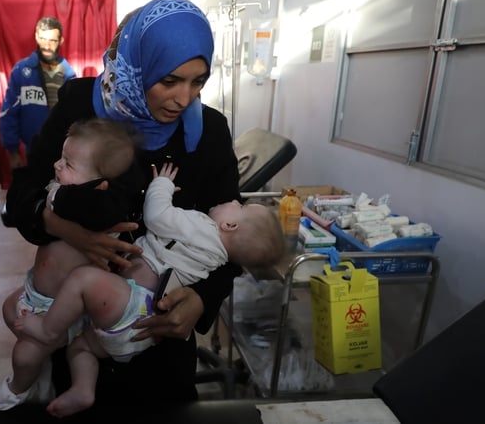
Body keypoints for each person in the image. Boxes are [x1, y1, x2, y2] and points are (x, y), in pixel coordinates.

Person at [1, 0, 244, 418]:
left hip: (156, 337)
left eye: (198, 81)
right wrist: (66, 229)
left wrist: (201, 301)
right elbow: (20, 196)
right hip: (73, 324)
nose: (184, 98)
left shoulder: (209, 134)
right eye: (169, 80)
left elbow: (232, 234)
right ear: (135, 59)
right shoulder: (80, 104)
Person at [15, 162, 285, 417]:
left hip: (129, 302)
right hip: (140, 329)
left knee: (82, 279)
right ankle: (83, 390)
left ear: (230, 225)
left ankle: (47, 330)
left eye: (241, 206)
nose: (235, 200)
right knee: (82, 348)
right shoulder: (218, 257)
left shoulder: (201, 228)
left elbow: (157, 215)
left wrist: (163, 185)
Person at [0, 117, 141, 410]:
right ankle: (78, 385)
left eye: (68, 164)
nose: (57, 165)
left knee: (25, 355)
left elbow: (95, 209)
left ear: (100, 184)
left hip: (59, 308)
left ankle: (19, 390)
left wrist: (57, 196)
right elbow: (18, 202)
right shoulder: (73, 188)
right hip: (40, 295)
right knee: (12, 310)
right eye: (61, 158)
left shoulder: (95, 205)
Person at [0, 16, 77, 170]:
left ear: (61, 40)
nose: (47, 46)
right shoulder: (21, 72)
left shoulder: (69, 75)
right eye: (42, 39)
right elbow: (8, 113)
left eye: (52, 41)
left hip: (63, 152)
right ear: (36, 37)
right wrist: (13, 152)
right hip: (32, 151)